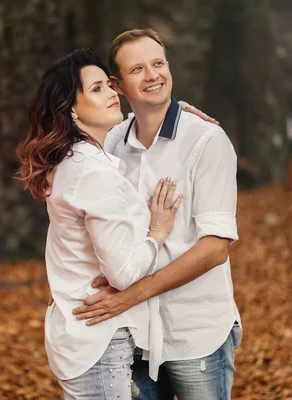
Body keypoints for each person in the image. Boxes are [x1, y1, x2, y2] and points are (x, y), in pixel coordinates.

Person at [73, 29, 242, 400]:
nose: (153, 76)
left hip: (195, 330)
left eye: (158, 64)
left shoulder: (206, 141)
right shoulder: (112, 142)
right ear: (116, 85)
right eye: (138, 69)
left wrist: (129, 295)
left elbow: (215, 248)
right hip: (135, 334)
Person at [17, 48, 184, 399]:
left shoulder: (73, 160)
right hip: (99, 339)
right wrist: (158, 233)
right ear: (72, 110)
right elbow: (122, 274)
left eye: (109, 85)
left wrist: (183, 114)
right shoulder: (91, 172)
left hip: (81, 333)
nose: (111, 93)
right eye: (97, 89)